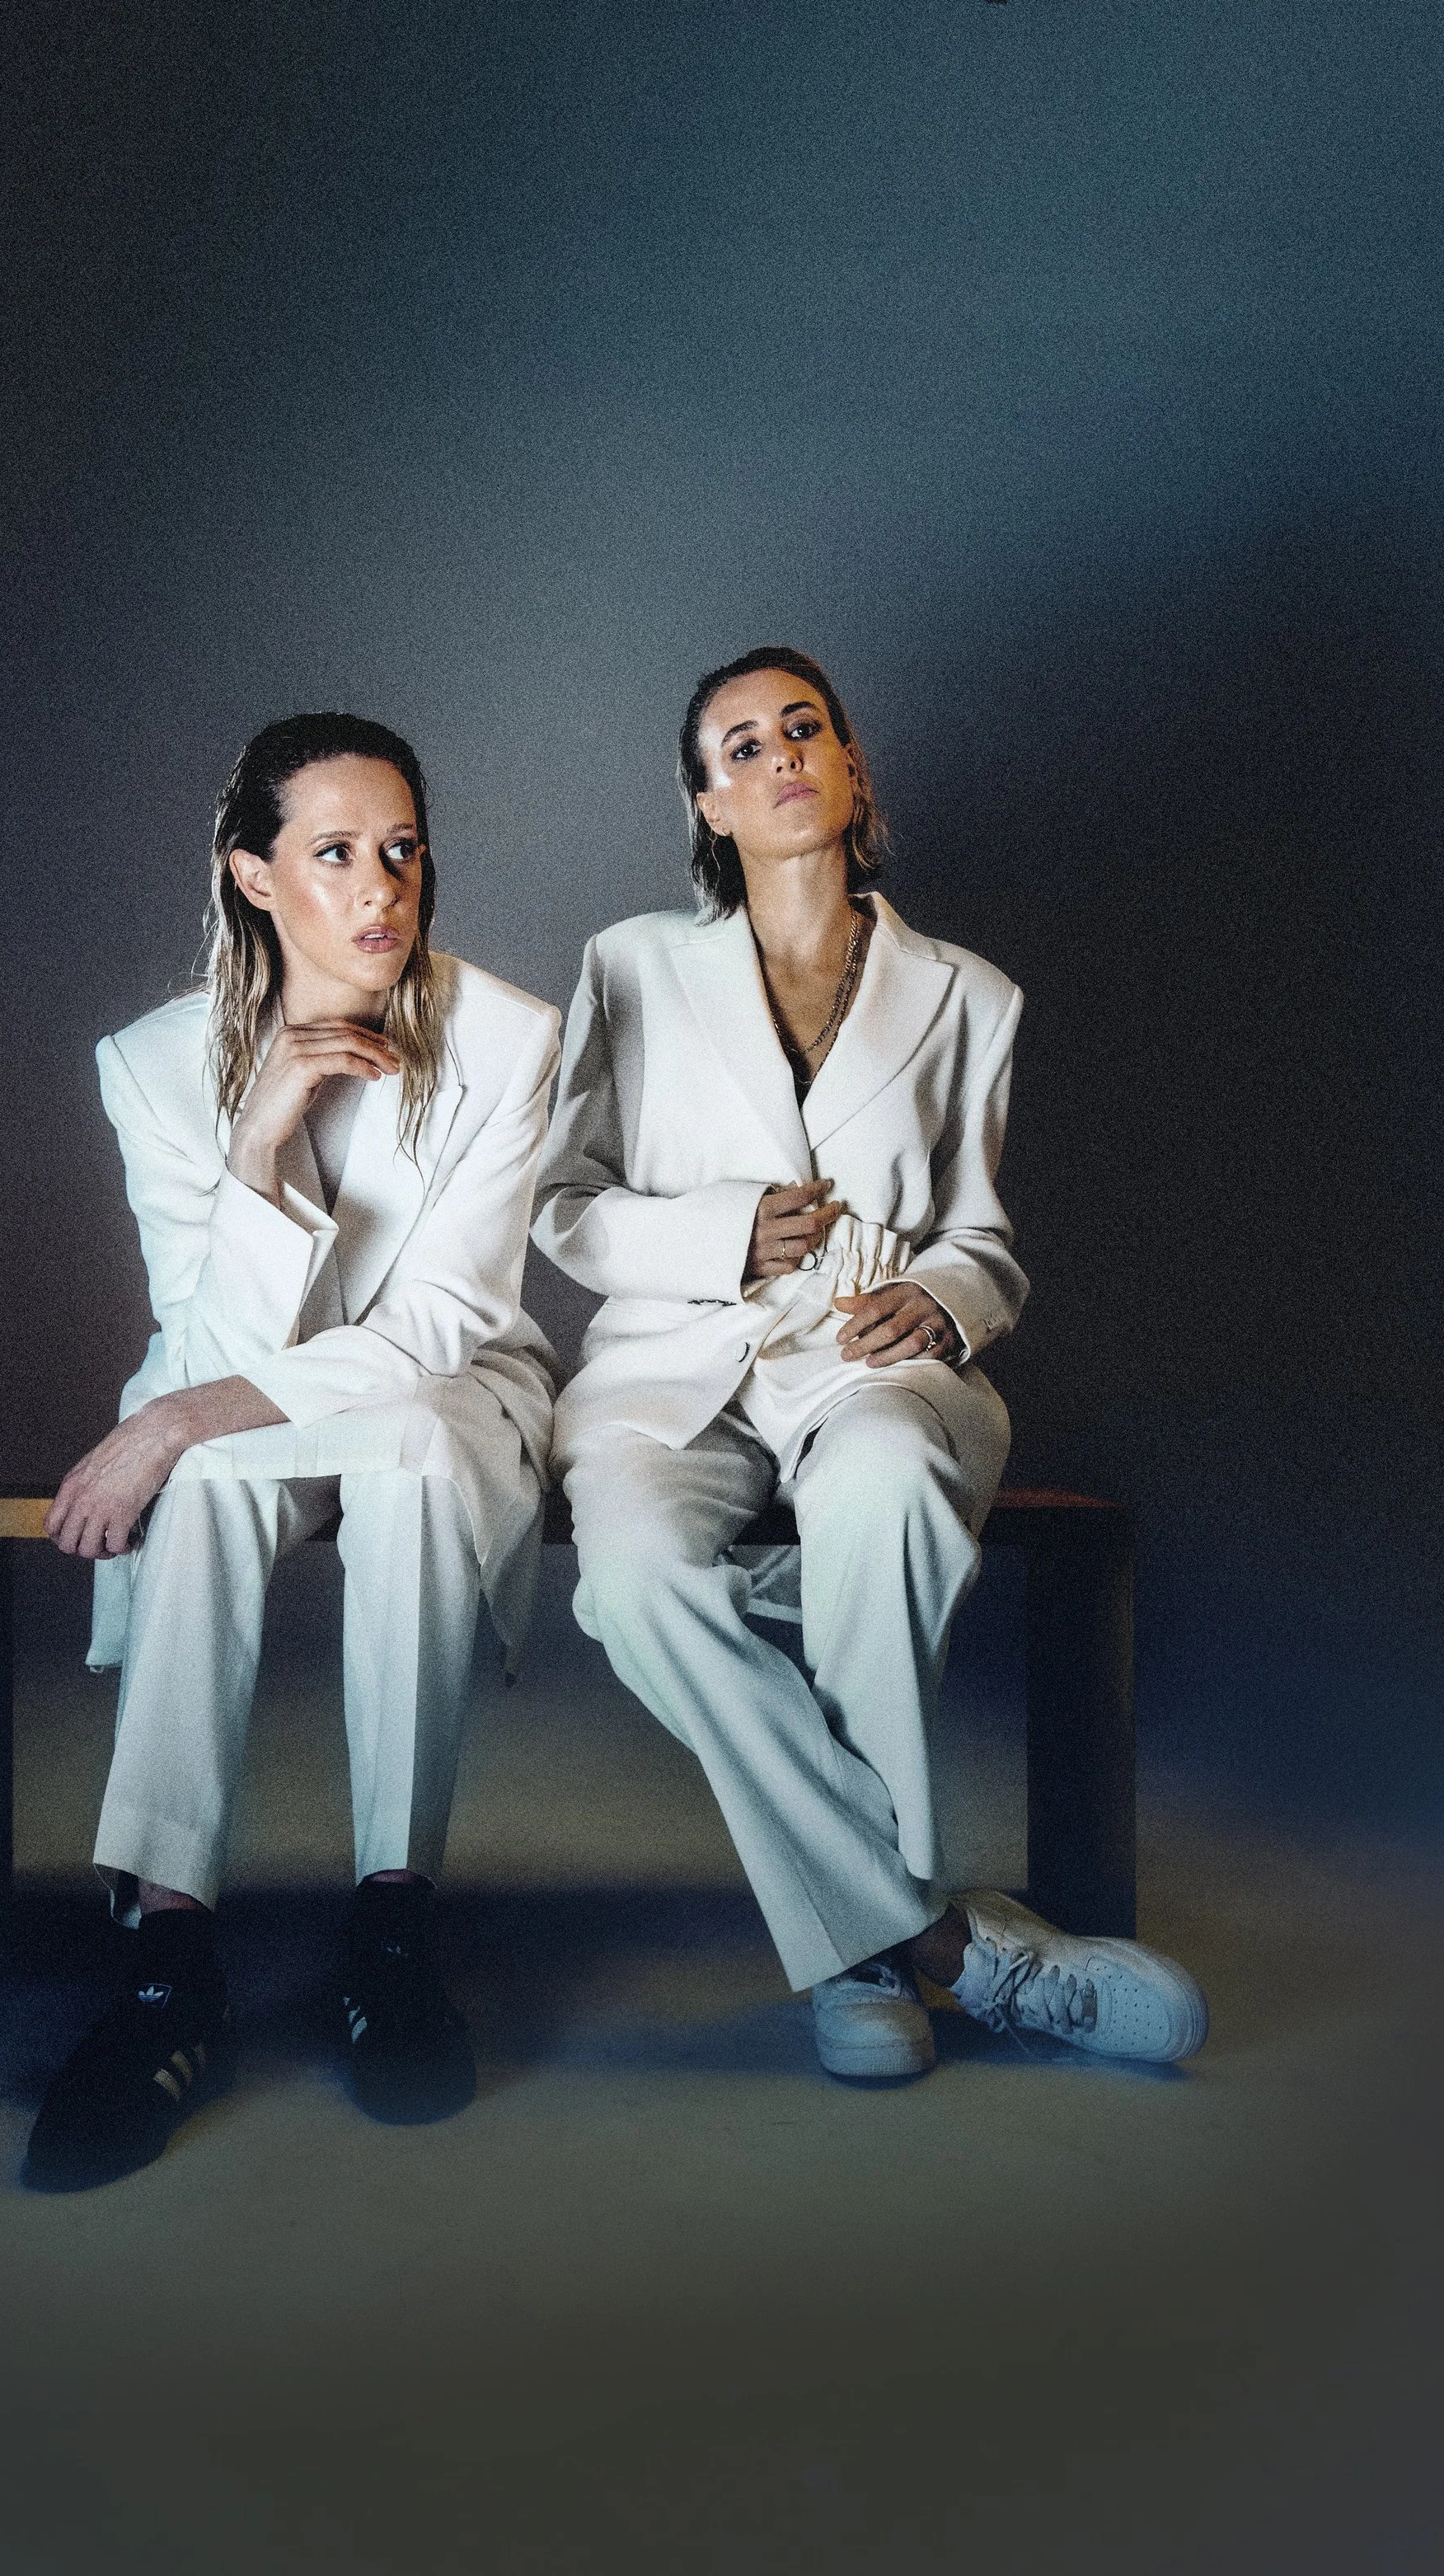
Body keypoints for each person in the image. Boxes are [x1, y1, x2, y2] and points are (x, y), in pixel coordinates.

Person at [533, 646, 1206, 2081]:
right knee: (638, 1579)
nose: (778, 757)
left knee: (890, 1490)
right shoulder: (630, 967)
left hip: (865, 1362)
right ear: (707, 804)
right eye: (740, 747)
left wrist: (949, 1303)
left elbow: (985, 1237)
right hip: (673, 1366)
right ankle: (932, 1945)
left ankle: (854, 1968)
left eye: (805, 730)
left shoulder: (971, 997)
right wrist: (722, 1234)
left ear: (850, 773)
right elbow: (565, 1204)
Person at [26, 712, 561, 2190]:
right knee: (196, 1489)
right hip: (240, 1386)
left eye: (401, 852)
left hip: (441, 1391)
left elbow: (441, 1325)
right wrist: (260, 1142)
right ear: (254, 878)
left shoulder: (510, 1037)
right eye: (335, 855)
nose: (382, 888)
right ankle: (167, 1958)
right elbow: (206, 1346)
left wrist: (170, 1418)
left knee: (397, 1466)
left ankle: (393, 1930)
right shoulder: (151, 1064)